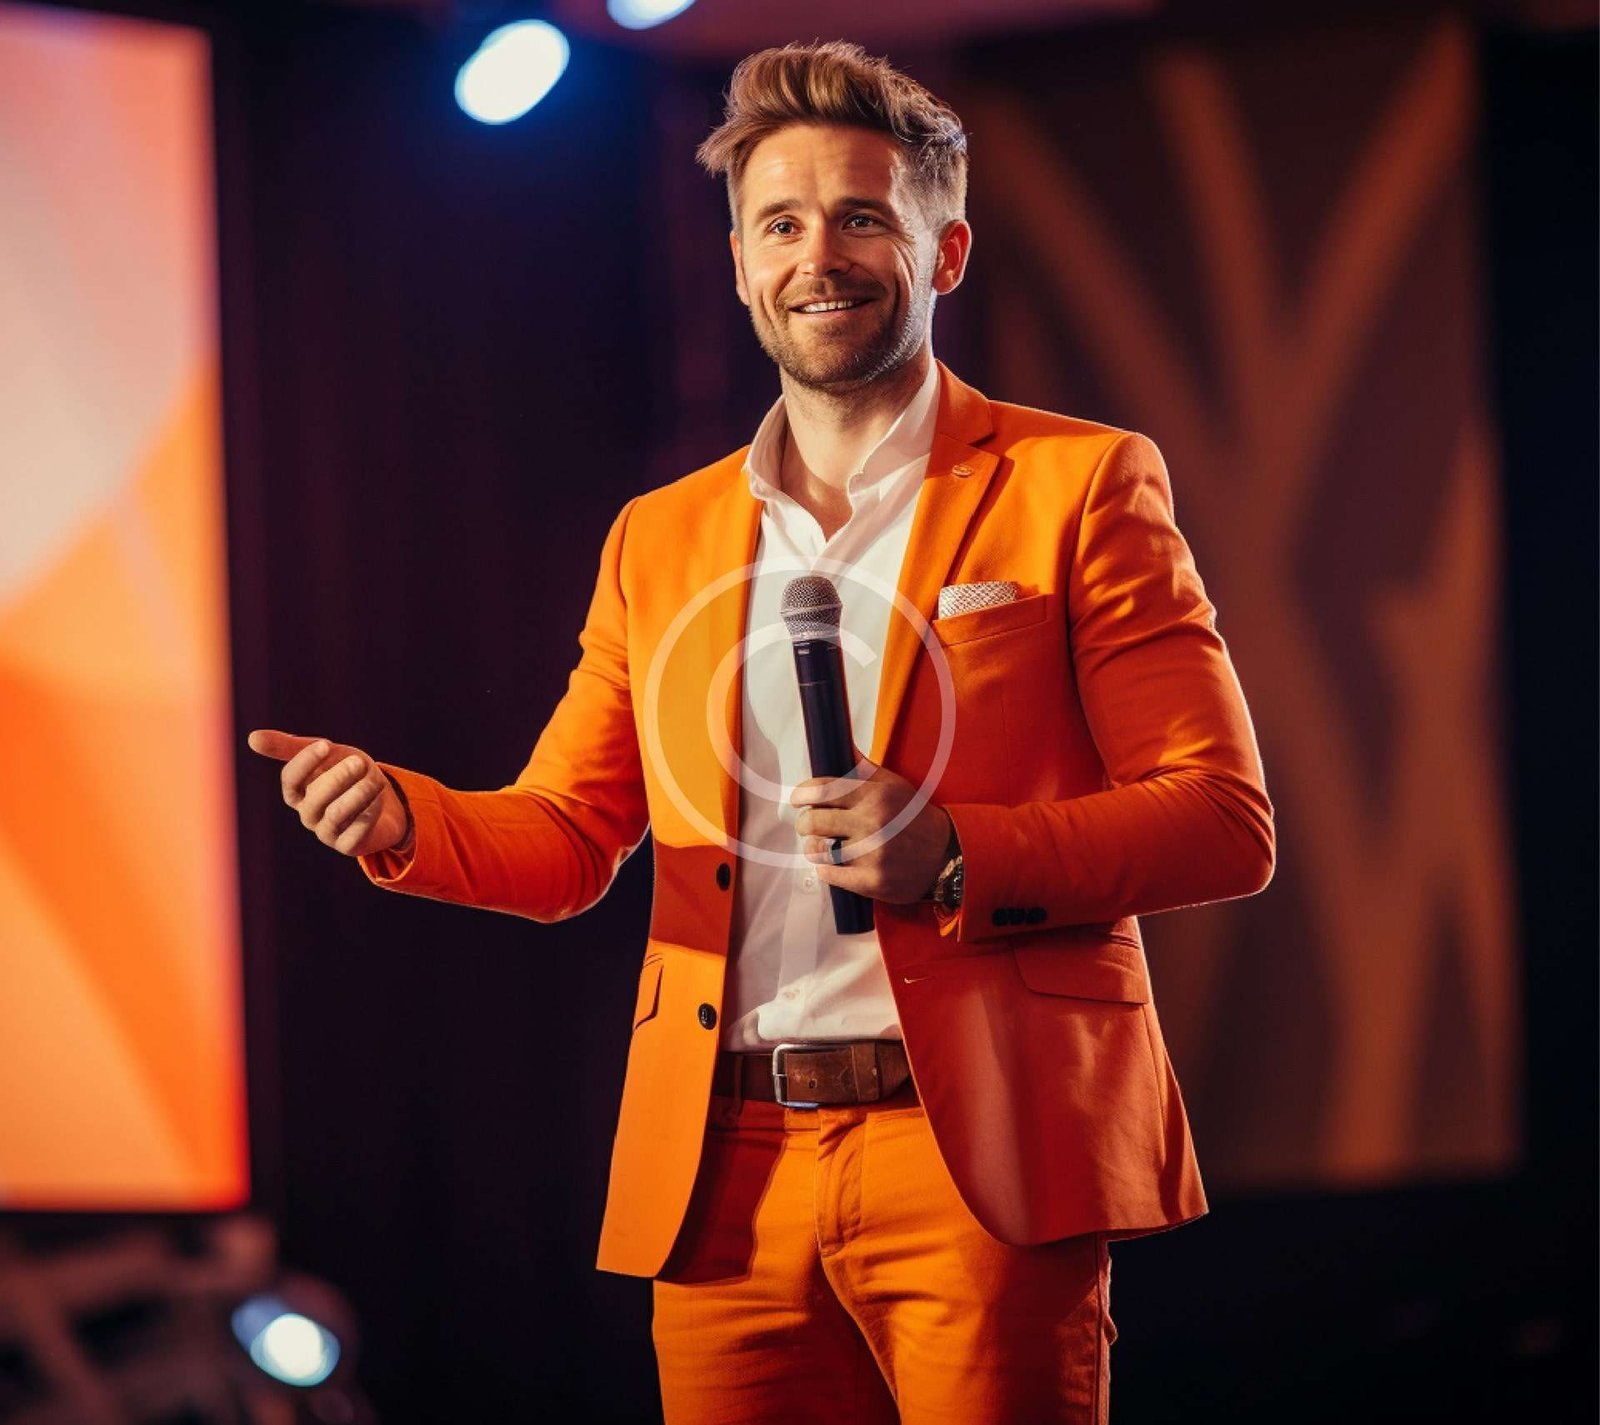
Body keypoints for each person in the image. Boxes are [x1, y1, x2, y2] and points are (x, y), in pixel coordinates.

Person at [249, 40, 1274, 1425]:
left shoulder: (1077, 481)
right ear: (737, 264)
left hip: (976, 1146)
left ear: (946, 250)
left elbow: (1221, 818)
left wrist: (953, 854)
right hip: (721, 1166)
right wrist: (405, 816)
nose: (818, 256)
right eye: (779, 224)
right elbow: (568, 835)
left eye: (860, 217)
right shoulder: (659, 536)